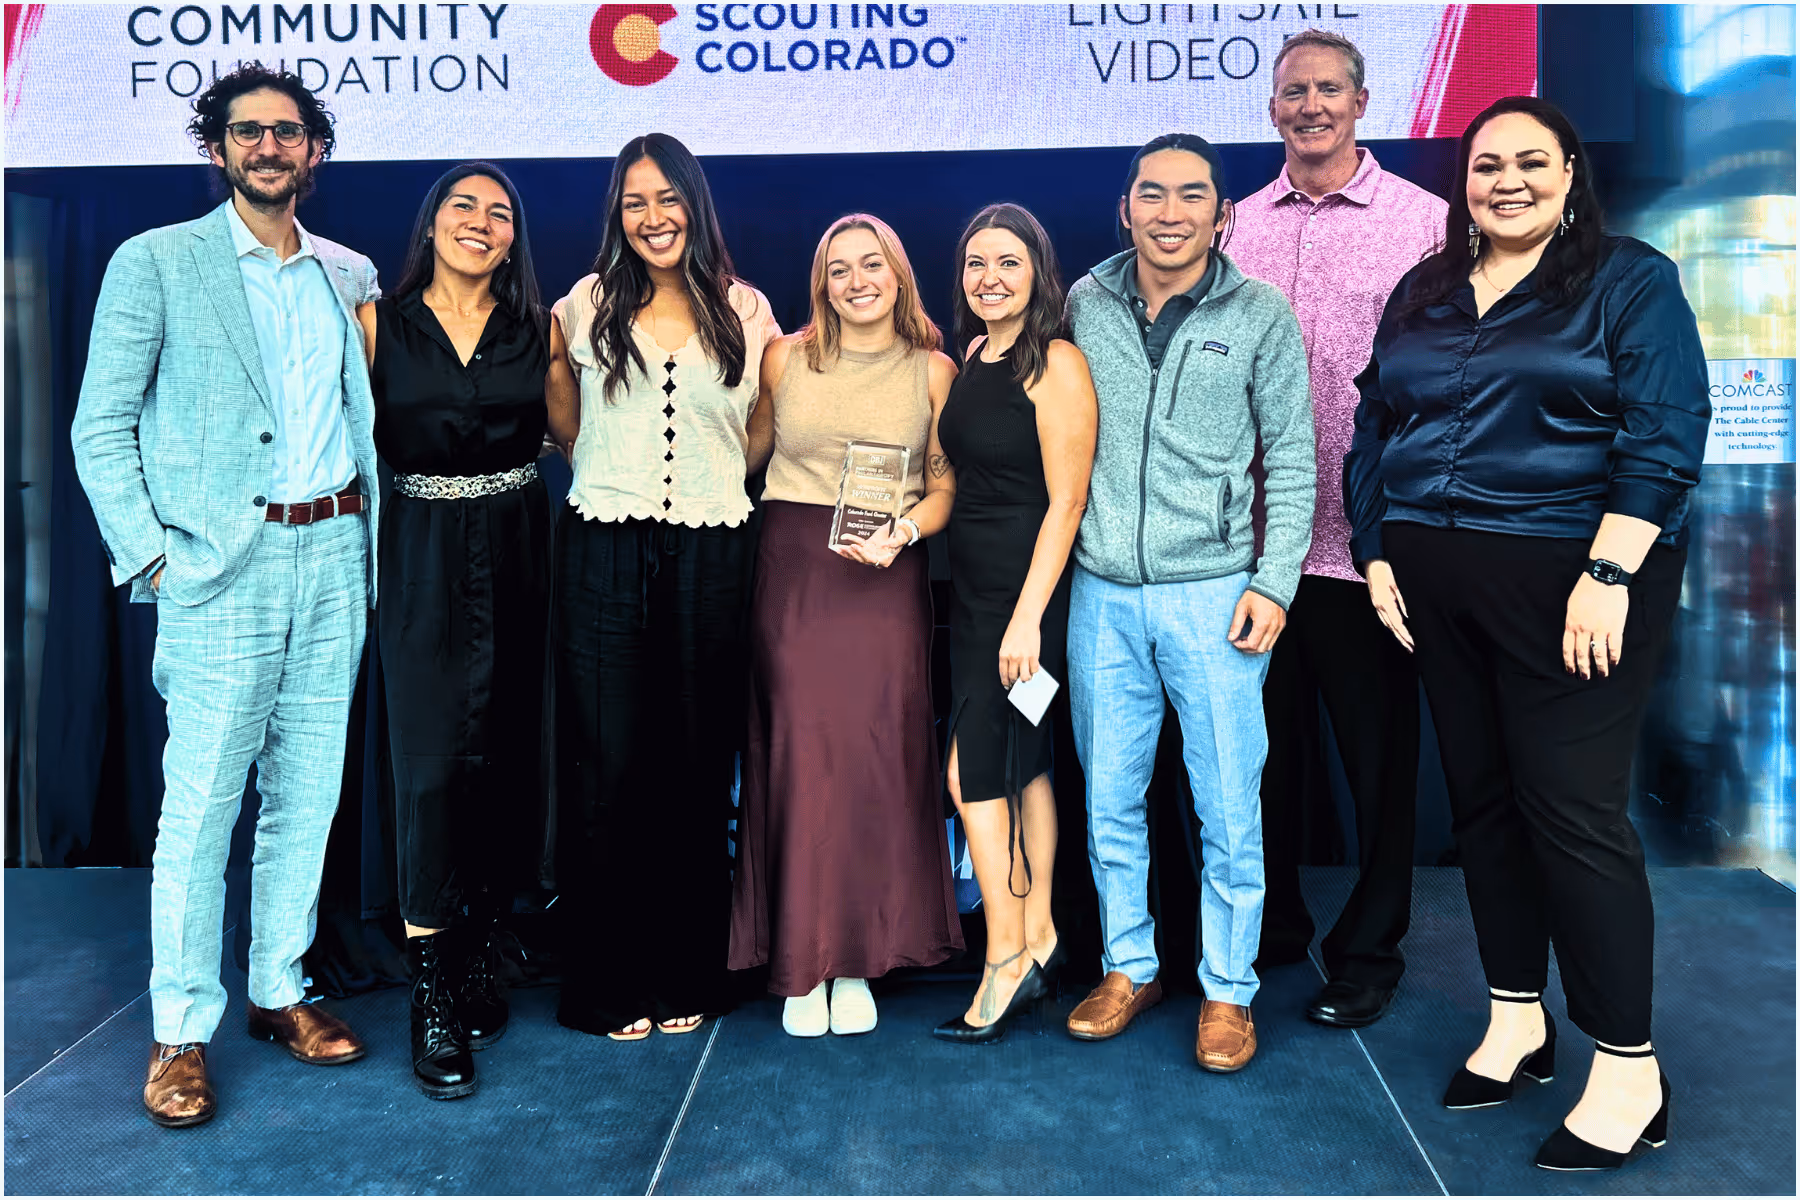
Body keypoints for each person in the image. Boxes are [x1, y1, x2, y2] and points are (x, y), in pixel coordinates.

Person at [1344, 96, 1708, 1170]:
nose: (1506, 180)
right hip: (1434, 579)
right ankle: (1517, 1018)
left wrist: (1609, 570)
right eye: (1487, 163)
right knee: (1486, 805)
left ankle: (1631, 1068)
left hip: (1573, 582)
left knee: (1572, 814)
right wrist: (1376, 550)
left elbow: (1667, 428)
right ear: (1464, 178)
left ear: (1568, 172)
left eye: (1530, 162)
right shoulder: (1426, 286)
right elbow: (1377, 422)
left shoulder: (1630, 280)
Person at [71, 65, 379, 1127]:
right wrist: (152, 560)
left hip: (335, 557)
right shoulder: (155, 262)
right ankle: (179, 1030)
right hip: (217, 572)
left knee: (308, 796)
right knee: (201, 810)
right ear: (218, 149)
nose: (267, 147)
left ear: (314, 153)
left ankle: (278, 991)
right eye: (247, 132)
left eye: (287, 133)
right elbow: (100, 425)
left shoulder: (350, 273)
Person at [1064, 133, 1314, 1073]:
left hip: (1216, 597)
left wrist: (1273, 583)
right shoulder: (1082, 303)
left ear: (1223, 212)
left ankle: (1228, 990)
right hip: (1101, 594)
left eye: (1192, 195)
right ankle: (1130, 965)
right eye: (1152, 193)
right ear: (1125, 207)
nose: (1171, 212)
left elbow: (1293, 459)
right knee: (1110, 800)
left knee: (1227, 806)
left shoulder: (1260, 314)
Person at [1229, 29, 1445, 1029]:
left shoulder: (1429, 225)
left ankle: (1369, 953)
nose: (1310, 105)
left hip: (1370, 554)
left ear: (1362, 104)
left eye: (1328, 90)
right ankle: (1269, 932)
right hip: (1255, 551)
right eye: (1292, 92)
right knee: (1258, 761)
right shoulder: (1234, 226)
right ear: (1273, 109)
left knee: (1378, 769)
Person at [549, 133, 780, 1042]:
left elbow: (759, 429)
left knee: (694, 764)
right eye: (635, 202)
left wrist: (704, 488)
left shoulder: (747, 308)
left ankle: (690, 972)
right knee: (611, 768)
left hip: (715, 553)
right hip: (604, 547)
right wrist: (624, 477)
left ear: (695, 204)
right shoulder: (585, 304)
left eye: (668, 198)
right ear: (619, 213)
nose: (653, 217)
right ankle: (609, 982)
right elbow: (563, 416)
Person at [729, 214, 963, 1037]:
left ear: (899, 274)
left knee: (875, 759)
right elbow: (742, 455)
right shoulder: (784, 357)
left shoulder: (935, 370)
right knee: (798, 756)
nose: (858, 280)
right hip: (795, 571)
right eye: (839, 269)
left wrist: (905, 531)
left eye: (873, 265)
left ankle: (860, 957)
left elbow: (944, 486)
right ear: (820, 283)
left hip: (885, 573)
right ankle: (801, 960)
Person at [356, 163, 552, 1098]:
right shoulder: (374, 326)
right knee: (430, 773)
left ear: (514, 237)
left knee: (506, 764)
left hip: (520, 558)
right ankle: (431, 994)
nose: (481, 222)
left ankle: (478, 958)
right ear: (430, 224)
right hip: (421, 562)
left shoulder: (539, 330)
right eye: (463, 207)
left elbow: (582, 432)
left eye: (500, 212)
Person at [929, 204, 1098, 1045]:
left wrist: (1028, 619)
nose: (988, 278)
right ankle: (1042, 939)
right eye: (974, 264)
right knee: (1023, 766)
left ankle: (1002, 956)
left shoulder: (1055, 362)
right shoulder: (972, 356)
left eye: (1007, 262)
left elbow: (1067, 501)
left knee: (971, 776)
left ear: (1039, 271)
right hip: (973, 594)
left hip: (1027, 602)